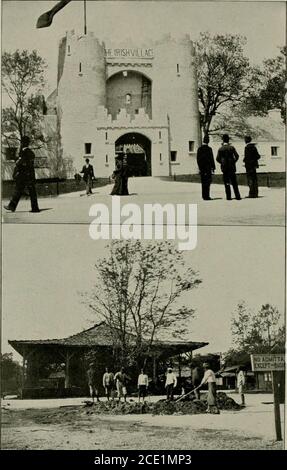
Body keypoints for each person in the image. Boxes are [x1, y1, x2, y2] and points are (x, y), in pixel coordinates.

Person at [4, 136, 40, 213]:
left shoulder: (24, 151)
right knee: (30, 191)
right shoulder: (30, 152)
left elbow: (21, 162)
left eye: (22, 142)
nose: (21, 143)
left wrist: (18, 162)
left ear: (23, 143)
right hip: (29, 175)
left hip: (24, 175)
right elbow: (29, 161)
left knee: (19, 190)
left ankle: (12, 206)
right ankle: (34, 208)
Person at [216, 134, 241, 201]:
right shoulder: (232, 148)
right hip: (232, 167)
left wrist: (222, 163)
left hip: (225, 168)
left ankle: (228, 196)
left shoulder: (220, 149)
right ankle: (237, 196)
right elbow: (237, 156)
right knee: (234, 182)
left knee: (226, 182)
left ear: (223, 140)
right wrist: (234, 162)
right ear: (228, 140)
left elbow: (217, 158)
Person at [196, 135, 216, 200]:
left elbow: (198, 159)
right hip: (208, 168)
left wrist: (199, 167)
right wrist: (213, 167)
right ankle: (207, 195)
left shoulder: (199, 149)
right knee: (208, 182)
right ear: (208, 141)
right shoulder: (209, 149)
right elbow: (211, 159)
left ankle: (203, 195)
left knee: (203, 182)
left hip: (202, 168)